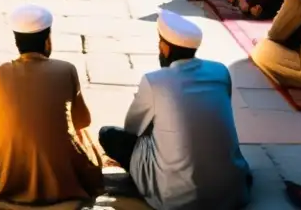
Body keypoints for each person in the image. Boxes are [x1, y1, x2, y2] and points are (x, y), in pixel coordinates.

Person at [98, 11, 252, 210]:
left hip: (177, 199)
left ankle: (148, 183)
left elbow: (132, 129)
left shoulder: (155, 81)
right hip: (233, 192)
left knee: (109, 135)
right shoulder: (220, 70)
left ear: (164, 48)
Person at [0, 4, 104, 204]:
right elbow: (83, 121)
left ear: (17, 42)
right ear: (47, 41)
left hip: (6, 179)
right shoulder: (67, 70)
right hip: (62, 178)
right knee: (82, 135)